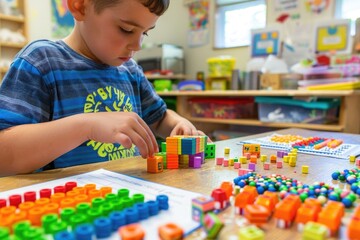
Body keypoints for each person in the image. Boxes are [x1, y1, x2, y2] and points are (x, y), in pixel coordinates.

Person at [0, 0, 206, 176]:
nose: (138, 45)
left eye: (146, 33)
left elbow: (159, 118)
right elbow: (4, 155)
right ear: (80, 6)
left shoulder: (130, 70)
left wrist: (179, 124)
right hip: (68, 209)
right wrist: (87, 126)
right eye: (126, 29)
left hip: (129, 196)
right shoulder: (41, 61)